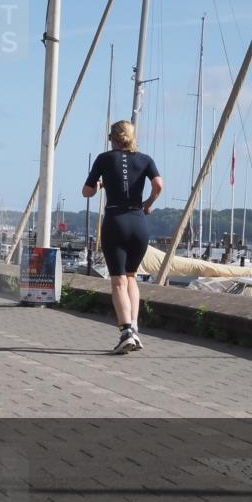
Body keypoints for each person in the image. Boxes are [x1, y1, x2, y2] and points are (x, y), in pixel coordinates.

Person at [82, 121, 163, 354]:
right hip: (138, 222)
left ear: (114, 138)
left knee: (118, 280)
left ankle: (126, 331)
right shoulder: (145, 159)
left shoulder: (104, 158)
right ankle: (134, 330)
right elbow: (158, 184)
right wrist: (148, 203)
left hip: (115, 220)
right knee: (131, 277)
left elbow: (86, 192)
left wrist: (98, 184)